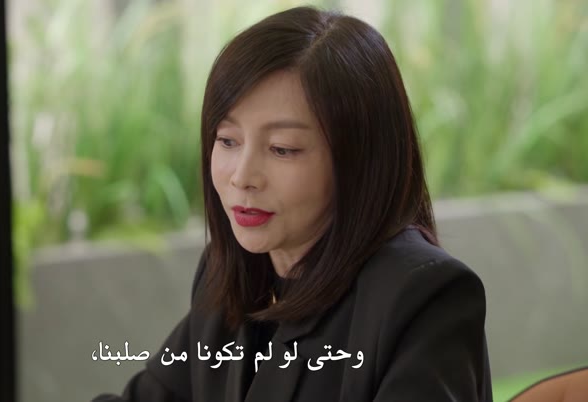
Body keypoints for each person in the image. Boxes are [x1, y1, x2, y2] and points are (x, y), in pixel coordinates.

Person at [93, 5, 492, 402]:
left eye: (282, 149)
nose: (243, 176)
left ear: (359, 160)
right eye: (228, 140)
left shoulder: (422, 297)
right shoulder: (231, 272)